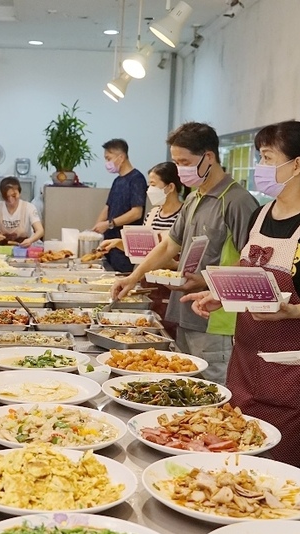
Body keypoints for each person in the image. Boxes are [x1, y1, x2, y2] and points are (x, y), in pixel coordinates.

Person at [185, 121, 300, 475]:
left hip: (292, 374)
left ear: (296, 165)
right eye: (259, 157)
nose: (259, 167)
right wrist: (221, 295)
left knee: (283, 471)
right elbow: (251, 278)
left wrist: (295, 312)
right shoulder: (260, 214)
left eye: (267, 158)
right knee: (238, 459)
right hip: (245, 364)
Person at [111, 123, 259, 385]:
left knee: (212, 393)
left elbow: (252, 261)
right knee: (185, 389)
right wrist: (133, 278)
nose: (180, 170)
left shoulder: (237, 201)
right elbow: (169, 246)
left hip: (216, 321)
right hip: (185, 314)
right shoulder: (194, 198)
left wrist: (204, 281)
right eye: (176, 162)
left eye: (185, 162)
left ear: (209, 157)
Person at [99, 162, 186, 330]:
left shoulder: (183, 216)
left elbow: (174, 253)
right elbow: (145, 250)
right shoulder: (152, 214)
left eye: (153, 185)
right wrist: (118, 243)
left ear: (170, 187)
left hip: (171, 290)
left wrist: (173, 265)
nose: (148, 190)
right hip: (147, 285)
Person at [92, 138, 146, 273]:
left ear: (121, 157)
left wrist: (110, 224)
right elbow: (108, 207)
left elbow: (136, 212)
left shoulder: (137, 179)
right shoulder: (117, 181)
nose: (107, 163)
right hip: (109, 245)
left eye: (108, 158)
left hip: (124, 245)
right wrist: (96, 228)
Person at [0, 176, 44, 249]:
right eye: (6, 197)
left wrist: (30, 240)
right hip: (2, 247)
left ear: (19, 192)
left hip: (24, 247)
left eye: (14, 195)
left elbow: (40, 231)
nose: (11, 200)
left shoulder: (29, 207)